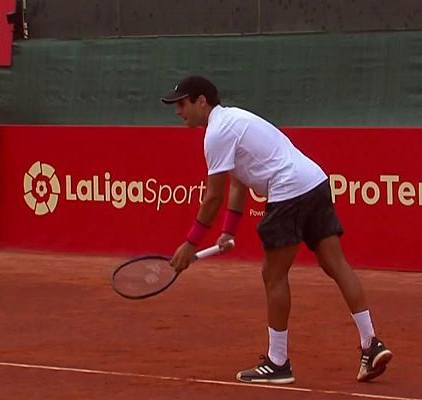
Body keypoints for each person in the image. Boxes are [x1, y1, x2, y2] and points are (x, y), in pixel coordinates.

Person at [162, 76, 392, 384]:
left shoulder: (216, 133)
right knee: (335, 263)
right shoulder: (234, 120)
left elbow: (213, 196)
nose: (178, 111)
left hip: (289, 190)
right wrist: (229, 231)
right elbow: (239, 181)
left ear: (202, 101)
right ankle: (371, 343)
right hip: (315, 181)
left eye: (182, 104)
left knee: (273, 274)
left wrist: (190, 243)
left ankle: (278, 363)